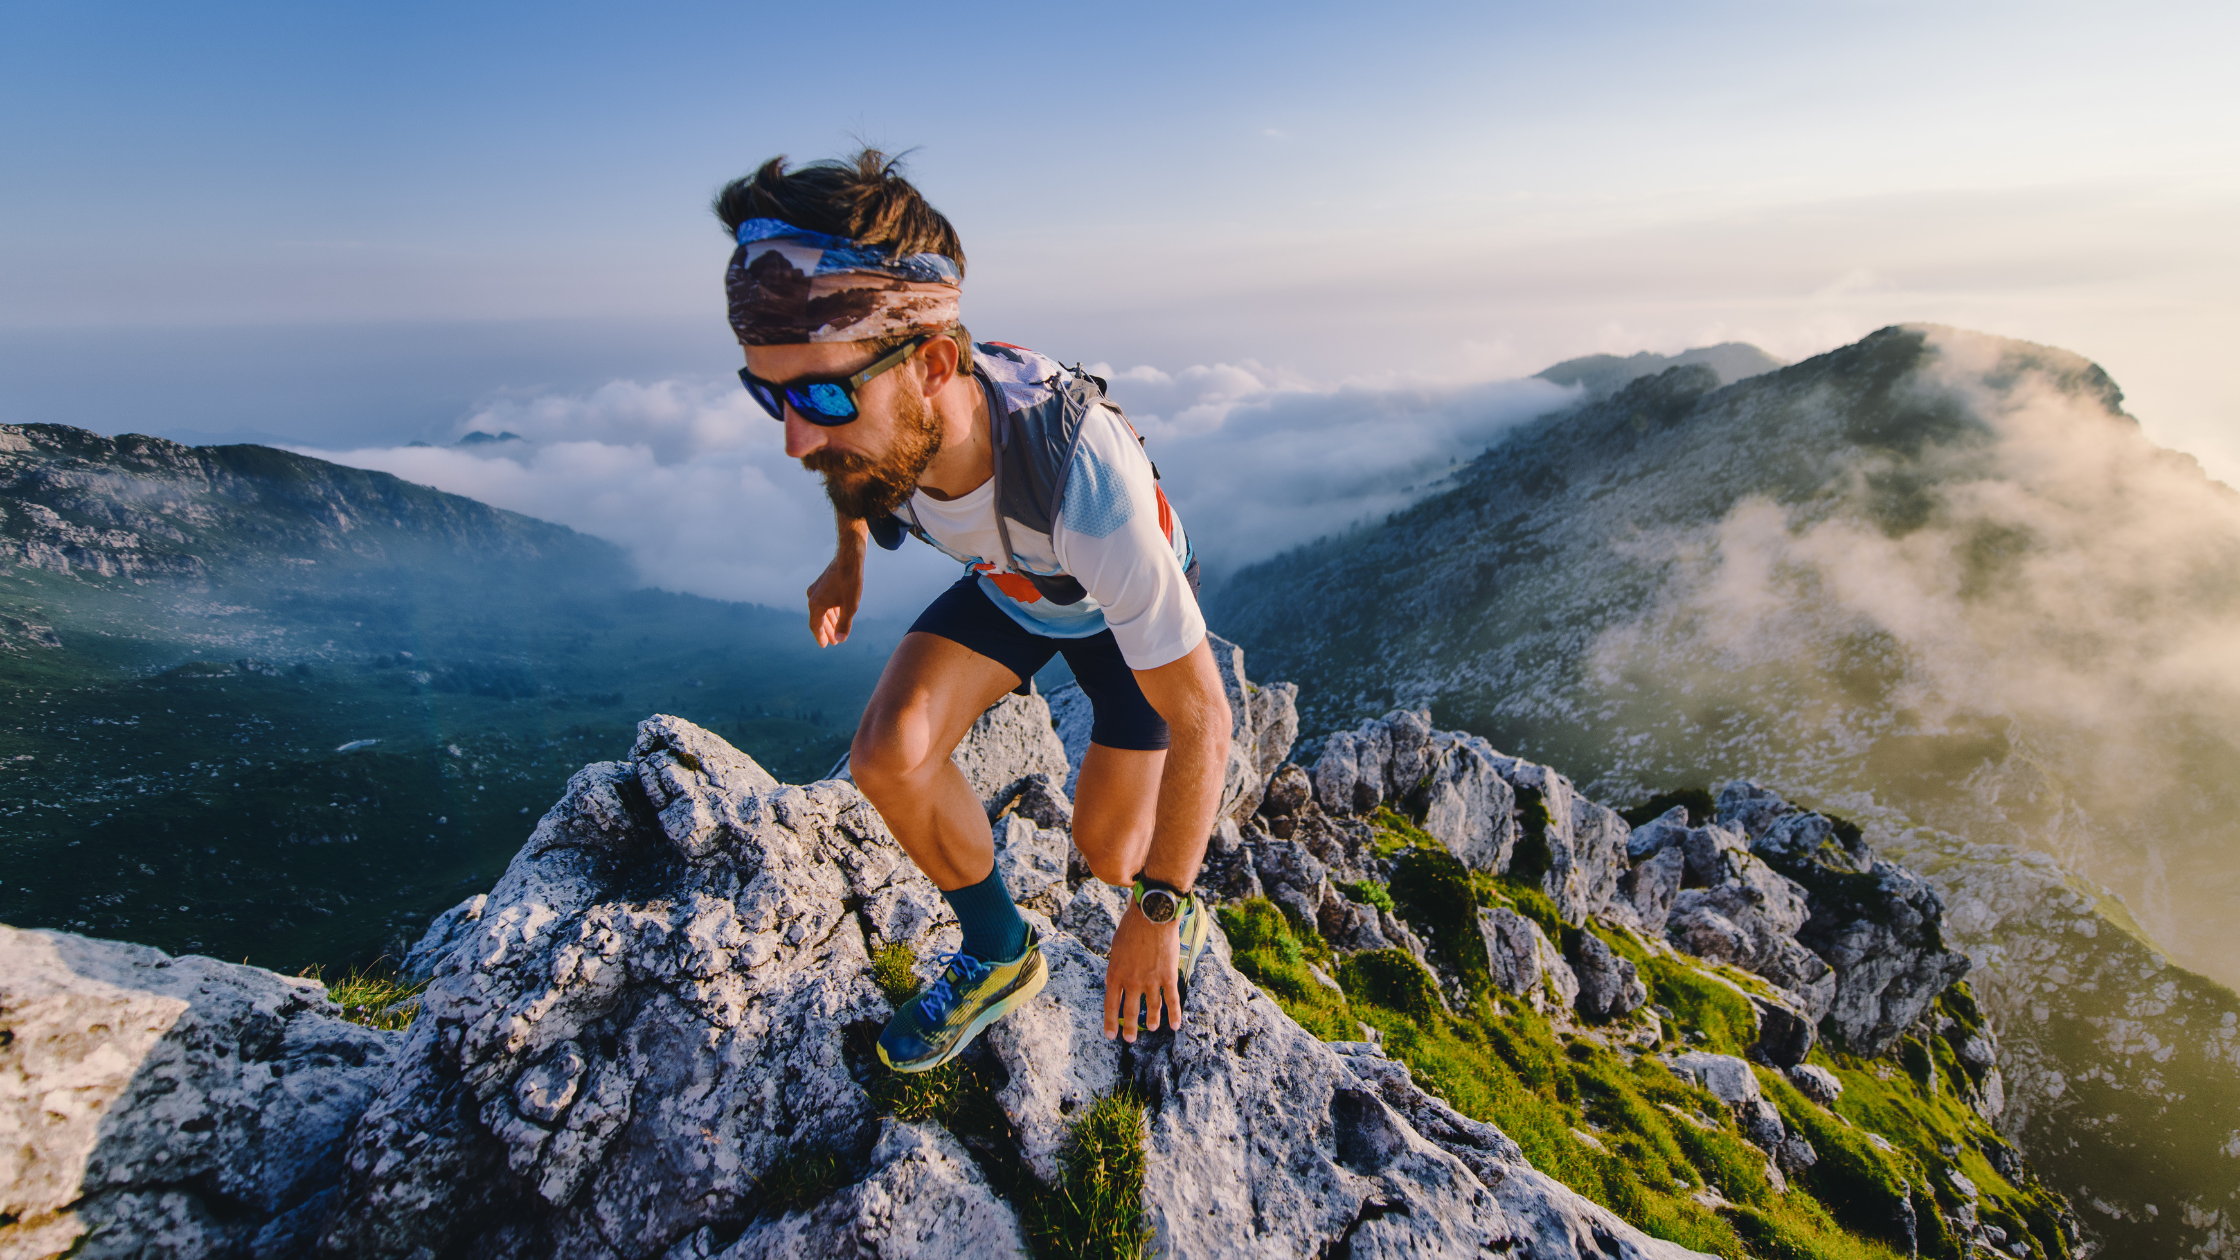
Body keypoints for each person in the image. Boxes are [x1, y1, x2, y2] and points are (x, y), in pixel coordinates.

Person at [714, 151, 1232, 1072]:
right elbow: (847, 468)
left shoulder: (1085, 489)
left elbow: (1205, 716)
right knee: (888, 755)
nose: (796, 436)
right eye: (771, 394)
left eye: (824, 394)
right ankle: (1000, 953)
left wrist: (1157, 910)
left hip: (1107, 607)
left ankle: (1182, 902)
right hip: (1015, 587)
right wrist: (846, 565)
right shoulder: (882, 429)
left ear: (934, 366)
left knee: (1112, 856)